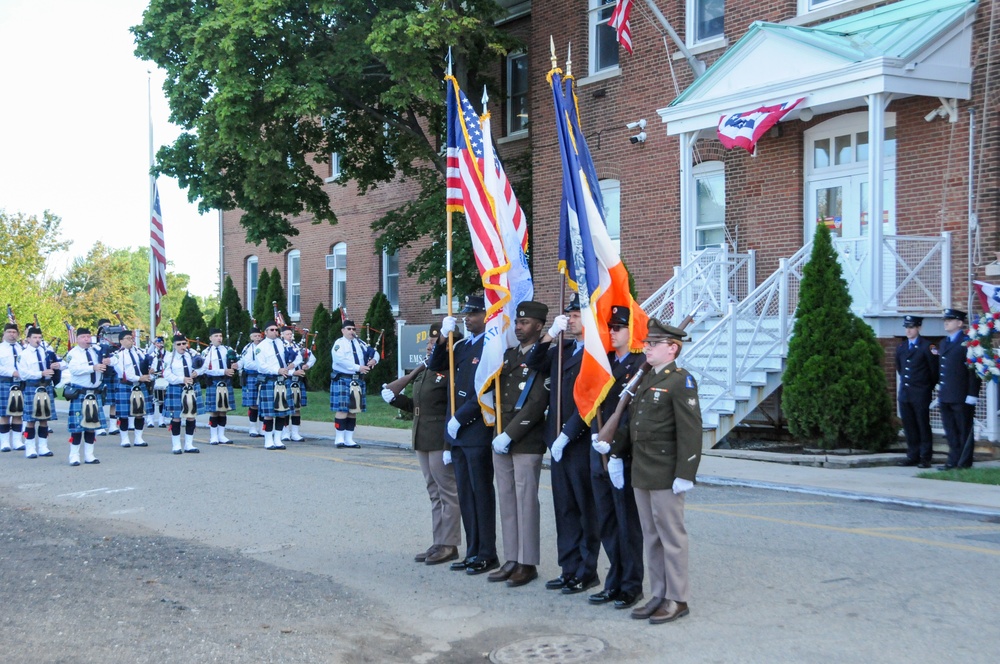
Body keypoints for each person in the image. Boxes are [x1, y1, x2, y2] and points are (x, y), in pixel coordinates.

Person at [607, 319, 701, 625]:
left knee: (672, 537)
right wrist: (616, 452)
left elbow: (690, 431)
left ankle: (678, 598)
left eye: (653, 344)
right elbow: (634, 423)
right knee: (651, 537)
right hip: (643, 470)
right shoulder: (646, 379)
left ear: (672, 349)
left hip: (665, 471)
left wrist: (686, 471)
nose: (646, 347)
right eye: (647, 343)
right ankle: (659, 593)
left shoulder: (680, 380)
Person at [526, 294, 601, 595]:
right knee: (565, 509)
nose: (569, 320)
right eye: (567, 315)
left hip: (579, 441)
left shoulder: (597, 354)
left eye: (575, 316)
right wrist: (550, 334)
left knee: (585, 509)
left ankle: (587, 571)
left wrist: (568, 434)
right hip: (557, 439)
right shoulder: (564, 348)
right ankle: (568, 568)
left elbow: (591, 402)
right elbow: (533, 361)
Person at [428, 295, 498, 576]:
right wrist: (445, 337)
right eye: (466, 314)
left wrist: (460, 418)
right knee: (466, 496)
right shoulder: (461, 345)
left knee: (481, 494)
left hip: (476, 429)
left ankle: (487, 553)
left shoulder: (490, 345)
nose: (467, 318)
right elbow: (436, 365)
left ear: (486, 316)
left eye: (474, 314)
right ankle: (472, 551)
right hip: (457, 434)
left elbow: (483, 390)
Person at [381, 323, 461, 566]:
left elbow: (450, 408)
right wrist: (396, 400)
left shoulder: (452, 371)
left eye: (435, 342)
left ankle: (449, 544)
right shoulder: (424, 370)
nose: (429, 346)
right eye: (429, 342)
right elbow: (418, 405)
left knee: (447, 492)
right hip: (422, 436)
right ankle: (439, 541)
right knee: (433, 491)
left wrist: (449, 444)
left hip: (438, 436)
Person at [488, 300, 549, 587]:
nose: (519, 327)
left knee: (526, 503)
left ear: (539, 326)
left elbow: (536, 403)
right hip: (501, 438)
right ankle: (511, 557)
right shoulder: (509, 355)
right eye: (517, 322)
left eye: (525, 323)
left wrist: (509, 434)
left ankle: (528, 562)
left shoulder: (544, 357)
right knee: (508, 501)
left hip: (525, 440)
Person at [588, 306, 646, 610]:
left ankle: (631, 585)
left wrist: (617, 452)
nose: (612, 331)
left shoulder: (641, 365)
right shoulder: (605, 362)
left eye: (619, 327)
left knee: (627, 525)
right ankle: (613, 581)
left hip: (621, 456)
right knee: (607, 523)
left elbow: (632, 416)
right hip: (598, 453)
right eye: (610, 327)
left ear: (632, 330)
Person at [937, 308, 981, 470]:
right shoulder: (944, 342)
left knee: (963, 429)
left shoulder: (967, 342)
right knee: (950, 430)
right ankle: (952, 460)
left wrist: (972, 393)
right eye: (945, 320)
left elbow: (973, 370)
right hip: (946, 394)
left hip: (962, 394)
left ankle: (964, 462)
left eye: (950, 320)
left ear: (960, 323)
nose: (946, 322)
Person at [62, 327, 111, 465]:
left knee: (91, 427)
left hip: (95, 393)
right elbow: (73, 370)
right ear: (77, 338)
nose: (87, 339)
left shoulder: (96, 351)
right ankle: (74, 456)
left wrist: (107, 361)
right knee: (77, 428)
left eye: (89, 337)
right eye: (83, 337)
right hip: (80, 393)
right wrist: (92, 368)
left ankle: (89, 455)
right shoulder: (73, 353)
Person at [895, 315, 938, 468]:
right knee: (909, 425)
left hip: (920, 392)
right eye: (906, 327)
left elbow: (934, 371)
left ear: (918, 328)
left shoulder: (928, 346)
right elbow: (900, 369)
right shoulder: (901, 347)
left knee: (922, 424)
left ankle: (925, 457)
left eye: (911, 327)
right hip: (905, 392)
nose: (908, 330)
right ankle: (912, 455)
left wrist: (926, 387)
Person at [330, 319, 379, 448]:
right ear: (343, 331)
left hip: (357, 380)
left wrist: (374, 360)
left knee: (353, 410)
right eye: (349, 329)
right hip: (343, 378)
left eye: (353, 329)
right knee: (342, 409)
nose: (352, 331)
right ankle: (339, 438)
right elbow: (339, 360)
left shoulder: (360, 343)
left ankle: (349, 439)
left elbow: (374, 352)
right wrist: (358, 368)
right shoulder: (339, 344)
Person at [18, 326, 61, 458]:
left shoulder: (47, 352)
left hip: (46, 387)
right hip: (32, 387)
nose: (37, 340)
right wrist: (40, 373)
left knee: (44, 420)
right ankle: (30, 448)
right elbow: (23, 374)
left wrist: (57, 365)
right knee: (31, 420)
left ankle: (43, 447)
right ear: (28, 339)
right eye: (34, 337)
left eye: (39, 337)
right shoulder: (23, 354)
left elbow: (63, 363)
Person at [109, 330, 152, 448]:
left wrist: (149, 371)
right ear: (121, 341)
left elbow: (146, 363)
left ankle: (139, 438)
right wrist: (140, 377)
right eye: (127, 338)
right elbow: (124, 373)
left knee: (140, 414)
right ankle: (125, 439)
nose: (130, 340)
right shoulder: (117, 355)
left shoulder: (139, 352)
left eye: (131, 338)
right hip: (125, 385)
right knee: (124, 415)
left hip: (139, 385)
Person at [162, 334, 204, 455]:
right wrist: (182, 379)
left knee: (191, 416)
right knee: (176, 417)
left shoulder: (192, 354)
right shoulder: (169, 358)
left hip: (192, 387)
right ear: (174, 346)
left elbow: (203, 366)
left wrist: (197, 372)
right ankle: (176, 445)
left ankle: (189, 445)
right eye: (179, 344)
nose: (182, 346)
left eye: (184, 344)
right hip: (176, 387)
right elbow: (167, 375)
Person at [254, 321, 292, 450]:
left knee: (282, 412)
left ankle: (278, 439)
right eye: (272, 330)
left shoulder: (281, 344)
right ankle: (268, 440)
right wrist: (277, 370)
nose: (275, 332)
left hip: (282, 380)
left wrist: (291, 365)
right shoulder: (261, 347)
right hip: (270, 380)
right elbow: (261, 366)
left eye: (276, 330)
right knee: (269, 413)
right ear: (265, 332)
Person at [201, 328, 237, 444]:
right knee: (214, 411)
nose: (219, 338)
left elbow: (239, 361)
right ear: (210, 338)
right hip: (213, 381)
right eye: (216, 336)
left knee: (223, 410)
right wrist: (223, 371)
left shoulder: (228, 349)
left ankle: (222, 435)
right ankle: (213, 436)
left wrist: (237, 365)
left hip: (226, 382)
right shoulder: (206, 352)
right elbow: (205, 370)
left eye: (220, 336)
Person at [280, 326, 315, 442]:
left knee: (296, 407)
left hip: (297, 380)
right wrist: (292, 370)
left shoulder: (297, 347)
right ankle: (284, 432)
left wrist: (307, 365)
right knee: (285, 407)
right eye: (287, 334)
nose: (290, 336)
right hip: (286, 379)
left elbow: (312, 358)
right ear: (282, 335)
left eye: (291, 334)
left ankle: (295, 433)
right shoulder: (279, 347)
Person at [0, 322, 25, 453]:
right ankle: (4, 442)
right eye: (9, 332)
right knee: (4, 414)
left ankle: (17, 441)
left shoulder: (22, 349)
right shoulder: (0, 348)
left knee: (18, 413)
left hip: (19, 383)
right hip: (4, 382)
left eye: (14, 332)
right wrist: (12, 372)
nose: (12, 334)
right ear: (4, 334)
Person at [238, 327, 263, 436]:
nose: (258, 338)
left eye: (259, 336)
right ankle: (252, 428)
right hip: (252, 376)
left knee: (263, 403)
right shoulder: (247, 348)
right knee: (253, 404)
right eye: (255, 336)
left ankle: (263, 428)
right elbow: (247, 364)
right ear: (251, 337)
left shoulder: (265, 347)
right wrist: (262, 366)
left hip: (263, 376)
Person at [147, 336, 169, 427]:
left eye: (161, 342)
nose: (160, 344)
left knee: (162, 400)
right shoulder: (150, 354)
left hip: (163, 378)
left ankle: (161, 419)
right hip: (152, 378)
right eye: (157, 342)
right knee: (151, 400)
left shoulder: (168, 354)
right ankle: (150, 420)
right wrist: (149, 371)